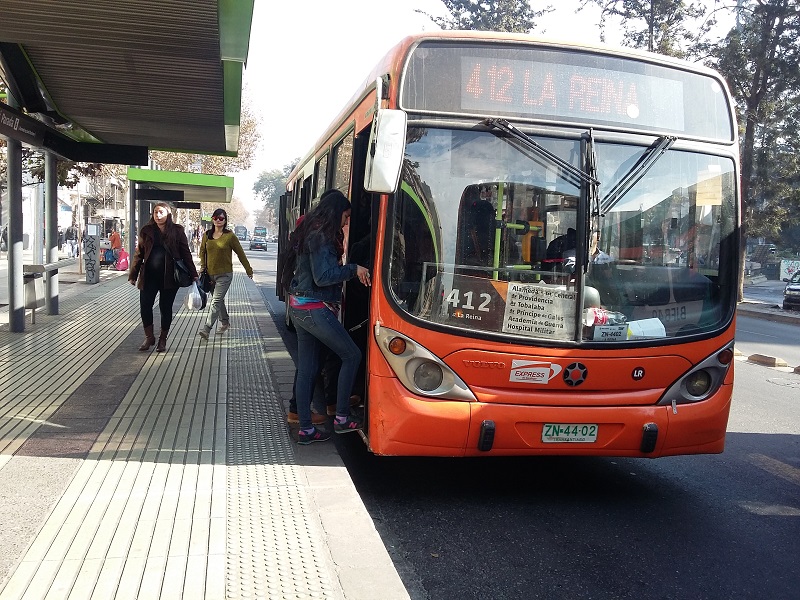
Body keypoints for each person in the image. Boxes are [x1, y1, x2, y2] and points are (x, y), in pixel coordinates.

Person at [288, 189, 371, 444]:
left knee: (308, 369)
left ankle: (305, 429)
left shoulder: (311, 230)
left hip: (300, 306)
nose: (346, 223)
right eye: (345, 217)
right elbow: (323, 277)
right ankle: (342, 417)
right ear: (336, 213)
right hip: (314, 307)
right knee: (352, 355)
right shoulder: (321, 236)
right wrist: (354, 269)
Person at [129, 202, 198, 352]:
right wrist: (133, 274)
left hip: (170, 277)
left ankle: (162, 339)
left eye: (161, 212)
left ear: (168, 214)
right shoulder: (146, 230)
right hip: (149, 277)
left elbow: (186, 253)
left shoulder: (177, 231)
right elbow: (139, 254)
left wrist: (194, 274)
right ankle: (149, 337)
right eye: (155, 212)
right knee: (145, 306)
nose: (158, 215)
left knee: (165, 308)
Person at [197, 208, 253, 339]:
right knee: (218, 300)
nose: (218, 220)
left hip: (225, 275)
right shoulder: (207, 235)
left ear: (225, 220)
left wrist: (248, 269)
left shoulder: (230, 236)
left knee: (215, 301)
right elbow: (202, 252)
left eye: (221, 218)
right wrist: (203, 266)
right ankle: (225, 322)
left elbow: (240, 253)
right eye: (215, 218)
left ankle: (207, 328)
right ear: (212, 219)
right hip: (209, 275)